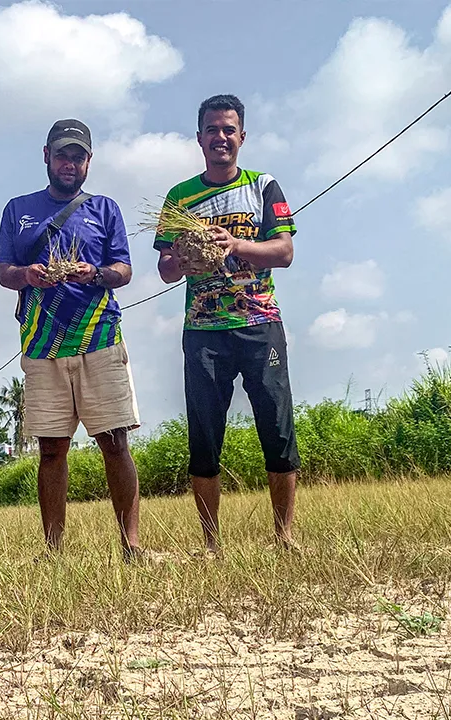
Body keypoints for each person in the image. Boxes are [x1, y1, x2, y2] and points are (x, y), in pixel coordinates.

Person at [154, 95, 299, 555]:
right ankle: (211, 543)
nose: (221, 137)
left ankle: (284, 537)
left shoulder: (263, 186)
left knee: (277, 428)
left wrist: (235, 244)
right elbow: (165, 269)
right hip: (203, 330)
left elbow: (284, 252)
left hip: (260, 324)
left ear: (242, 137)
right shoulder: (179, 197)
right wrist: (185, 256)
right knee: (204, 435)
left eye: (229, 130)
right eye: (212, 130)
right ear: (199, 138)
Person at [0, 119, 142, 560]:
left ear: (88, 161)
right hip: (42, 344)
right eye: (62, 155)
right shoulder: (17, 209)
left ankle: (131, 545)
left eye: (78, 157)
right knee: (52, 448)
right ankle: (53, 550)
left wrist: (94, 274)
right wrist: (27, 275)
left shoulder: (105, 208)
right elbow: (4, 272)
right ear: (46, 156)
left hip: (100, 338)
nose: (69, 164)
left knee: (114, 442)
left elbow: (124, 270)